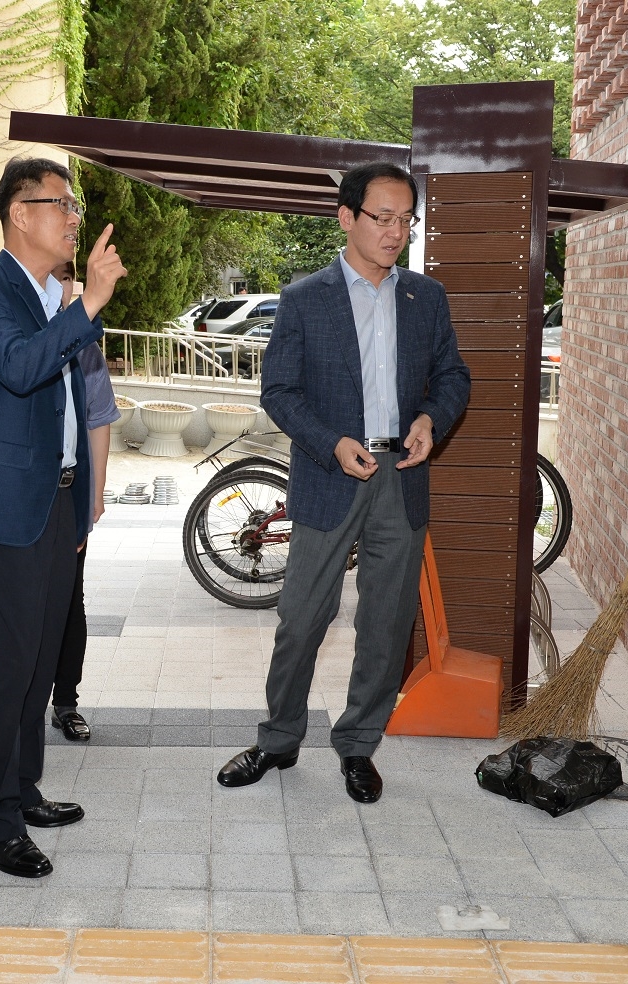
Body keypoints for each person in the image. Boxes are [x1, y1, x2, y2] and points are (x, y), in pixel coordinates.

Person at [216, 162, 469, 804]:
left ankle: (359, 744)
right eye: (381, 217)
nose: (395, 231)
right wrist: (330, 442)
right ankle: (278, 739)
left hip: (401, 477)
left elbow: (453, 378)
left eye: (404, 219)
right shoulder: (305, 299)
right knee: (302, 617)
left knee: (385, 621)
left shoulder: (424, 297)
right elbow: (279, 391)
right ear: (347, 218)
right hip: (332, 473)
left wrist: (430, 420)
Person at [0, 157, 126, 878]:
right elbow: (20, 369)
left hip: (56, 503)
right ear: (20, 212)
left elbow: (78, 405)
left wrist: (86, 497)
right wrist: (87, 307)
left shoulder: (57, 295)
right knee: (3, 670)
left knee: (40, 661)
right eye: (61, 204)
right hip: (2, 510)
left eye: (74, 205)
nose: (73, 217)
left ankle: (21, 789)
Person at [49, 259, 119, 742]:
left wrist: (95, 493)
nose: (62, 286)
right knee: (19, 608)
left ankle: (66, 700)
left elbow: (99, 418)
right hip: (19, 496)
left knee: (69, 600)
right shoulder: (7, 332)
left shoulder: (83, 343)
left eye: (66, 277)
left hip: (69, 491)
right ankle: (16, 703)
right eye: (55, 278)